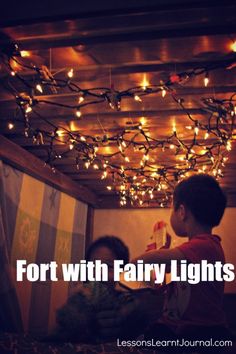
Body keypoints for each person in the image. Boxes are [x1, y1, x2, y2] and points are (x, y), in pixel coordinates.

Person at [132, 174, 230, 350]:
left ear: (182, 212)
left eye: (172, 208)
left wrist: (134, 263)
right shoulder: (191, 253)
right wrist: (164, 251)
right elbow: (166, 281)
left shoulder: (206, 246)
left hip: (201, 331)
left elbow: (153, 260)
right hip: (178, 328)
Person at [49, 235, 159, 343]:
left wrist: (126, 318)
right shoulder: (80, 297)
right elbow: (62, 330)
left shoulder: (126, 302)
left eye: (108, 266)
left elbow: (140, 316)